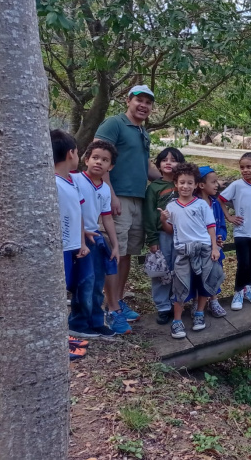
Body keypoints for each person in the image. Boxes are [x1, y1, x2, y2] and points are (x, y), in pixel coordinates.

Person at [95, 85, 161, 323]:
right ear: (128, 101)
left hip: (138, 199)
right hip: (117, 198)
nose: (143, 105)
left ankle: (118, 301)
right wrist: (110, 194)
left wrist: (171, 178)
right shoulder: (114, 124)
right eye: (139, 100)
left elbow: (146, 168)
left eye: (148, 102)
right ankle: (110, 308)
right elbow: (98, 157)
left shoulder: (143, 132)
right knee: (114, 252)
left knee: (127, 255)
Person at [72, 140, 131, 336]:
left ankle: (97, 321)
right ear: (86, 159)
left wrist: (114, 245)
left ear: (110, 166)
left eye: (105, 160)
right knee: (84, 282)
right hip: (78, 238)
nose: (99, 162)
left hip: (95, 238)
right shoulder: (75, 180)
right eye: (95, 158)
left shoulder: (105, 189)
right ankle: (78, 323)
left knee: (98, 282)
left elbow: (107, 218)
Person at [160, 163, 223, 339]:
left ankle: (199, 313)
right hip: (183, 251)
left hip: (203, 249)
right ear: (176, 184)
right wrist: (163, 220)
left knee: (205, 281)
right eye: (182, 182)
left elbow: (211, 226)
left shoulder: (202, 205)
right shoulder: (172, 206)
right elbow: (170, 229)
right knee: (180, 284)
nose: (185, 186)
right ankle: (177, 320)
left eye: (189, 183)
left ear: (196, 185)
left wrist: (214, 247)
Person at [52, 130, 94, 348]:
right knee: (56, 296)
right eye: (78, 152)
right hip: (57, 249)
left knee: (67, 289)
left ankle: (62, 337)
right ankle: (58, 342)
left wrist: (82, 242)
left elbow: (76, 214)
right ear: (71, 153)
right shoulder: (52, 184)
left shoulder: (69, 183)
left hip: (72, 247)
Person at [219, 152, 251, 310]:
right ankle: (238, 292)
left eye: (249, 167)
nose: (245, 170)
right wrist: (229, 217)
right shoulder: (236, 185)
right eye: (242, 167)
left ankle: (249, 289)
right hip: (241, 232)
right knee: (243, 263)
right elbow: (221, 200)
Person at [143, 147, 185, 325]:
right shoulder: (154, 188)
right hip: (163, 236)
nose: (168, 162)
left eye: (173, 159)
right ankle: (162, 306)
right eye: (164, 160)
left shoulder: (184, 185)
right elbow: (149, 215)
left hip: (183, 235)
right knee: (163, 270)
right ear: (158, 165)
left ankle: (177, 302)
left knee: (180, 269)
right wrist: (152, 239)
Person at [195, 166, 228, 316]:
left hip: (215, 248)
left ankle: (213, 300)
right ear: (201, 185)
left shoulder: (215, 204)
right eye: (213, 182)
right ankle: (197, 303)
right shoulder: (193, 205)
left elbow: (221, 224)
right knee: (198, 274)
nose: (217, 185)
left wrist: (220, 237)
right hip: (199, 247)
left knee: (214, 273)